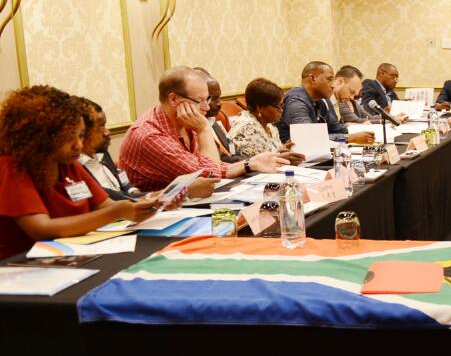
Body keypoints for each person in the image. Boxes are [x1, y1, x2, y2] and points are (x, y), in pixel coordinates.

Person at [0, 85, 164, 259]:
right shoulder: (12, 167)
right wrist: (117, 212)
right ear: (41, 136)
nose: (78, 145)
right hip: (23, 263)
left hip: (75, 253)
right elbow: (41, 229)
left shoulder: (67, 163)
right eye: (68, 138)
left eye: (80, 135)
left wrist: (151, 203)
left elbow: (106, 205)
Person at [122, 67, 287, 191]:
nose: (206, 107)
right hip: (154, 217)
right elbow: (210, 175)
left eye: (207, 99)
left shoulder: (185, 120)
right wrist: (204, 129)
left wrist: (251, 163)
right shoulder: (151, 135)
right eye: (200, 100)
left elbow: (208, 166)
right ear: (173, 99)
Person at [276, 61, 375, 145]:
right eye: (329, 79)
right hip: (293, 158)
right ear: (313, 78)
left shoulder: (320, 101)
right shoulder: (296, 100)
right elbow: (309, 138)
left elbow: (336, 128)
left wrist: (364, 132)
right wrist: (349, 138)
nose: (333, 85)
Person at [228, 78, 303, 162]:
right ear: (260, 107)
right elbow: (254, 163)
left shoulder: (270, 125)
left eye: (282, 105)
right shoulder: (246, 128)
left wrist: (283, 149)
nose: (281, 110)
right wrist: (280, 158)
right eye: (278, 106)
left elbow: (272, 153)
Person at [74, 98, 135, 200]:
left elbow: (118, 174)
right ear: (84, 130)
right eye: (101, 126)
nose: (107, 132)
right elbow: (101, 196)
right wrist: (138, 201)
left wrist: (135, 192)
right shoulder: (74, 166)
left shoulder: (101, 151)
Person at [193, 68, 240, 164]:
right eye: (212, 99)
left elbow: (232, 153)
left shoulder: (213, 120)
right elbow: (219, 160)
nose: (219, 103)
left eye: (219, 97)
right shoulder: (193, 127)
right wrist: (249, 163)